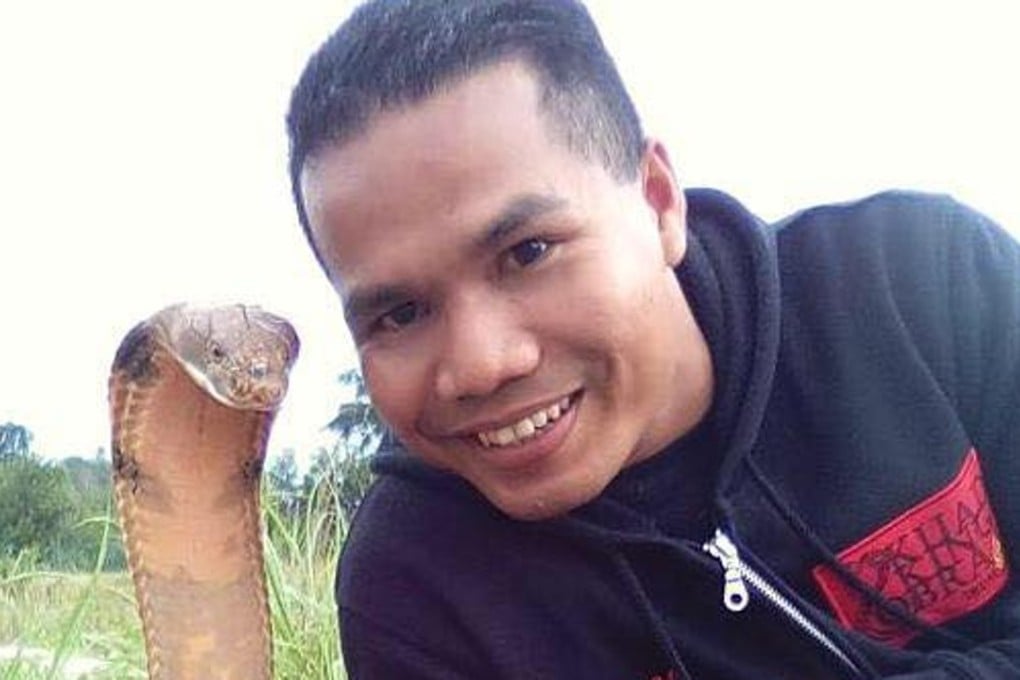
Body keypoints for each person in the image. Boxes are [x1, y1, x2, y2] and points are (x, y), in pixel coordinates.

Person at [285, 1, 1019, 677]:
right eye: (400, 315)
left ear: (658, 200)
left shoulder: (922, 280)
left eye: (528, 252)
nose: (479, 365)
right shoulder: (416, 588)